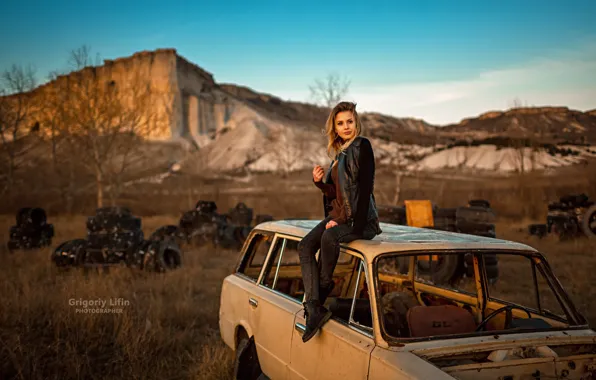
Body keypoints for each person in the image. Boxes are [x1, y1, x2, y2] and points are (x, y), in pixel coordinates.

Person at [298, 101, 382, 343]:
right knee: (304, 246)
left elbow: (365, 189)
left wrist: (350, 226)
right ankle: (315, 307)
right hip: (339, 216)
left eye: (350, 122)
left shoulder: (361, 146)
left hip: (361, 221)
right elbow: (337, 194)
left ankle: (315, 302)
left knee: (329, 237)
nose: (346, 126)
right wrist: (319, 183)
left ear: (356, 122)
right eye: (340, 123)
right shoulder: (339, 153)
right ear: (334, 127)